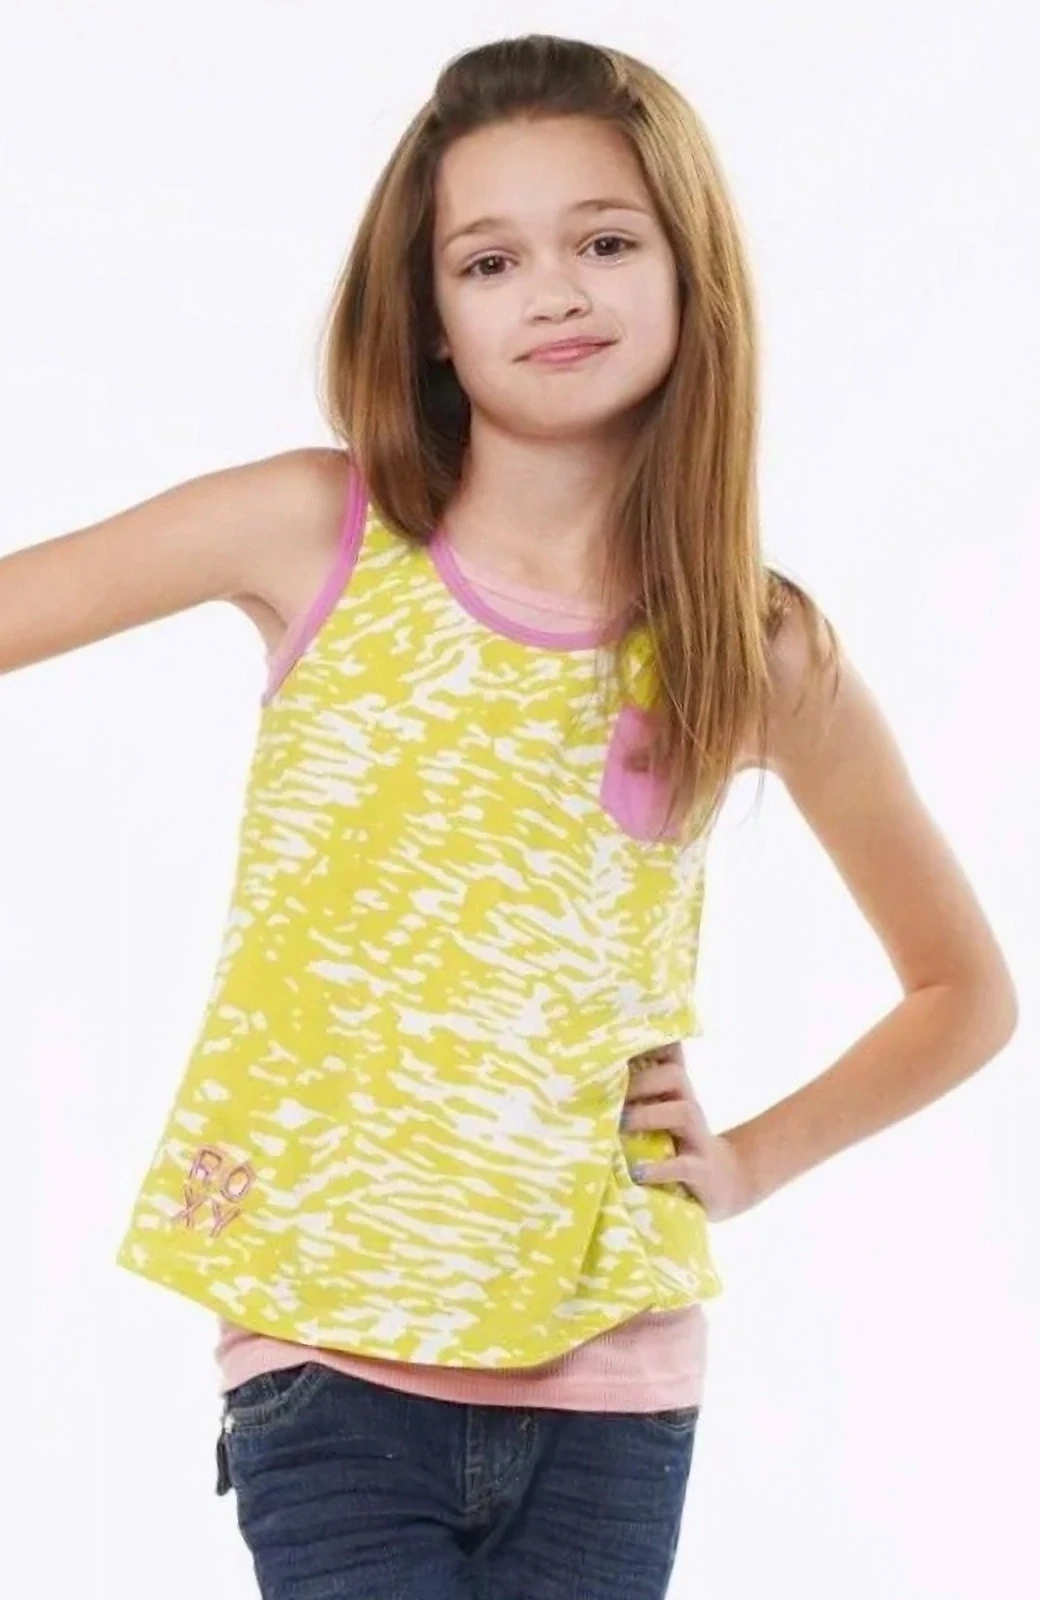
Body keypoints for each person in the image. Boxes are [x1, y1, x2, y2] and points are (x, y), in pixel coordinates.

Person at [0, 32, 1017, 1600]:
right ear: (429, 315)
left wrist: (748, 1162)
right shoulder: (315, 532)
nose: (554, 293)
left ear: (690, 274)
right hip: (329, 1360)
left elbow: (963, 993)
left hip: (617, 1386)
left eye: (605, 242)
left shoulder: (751, 644)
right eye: (491, 260)